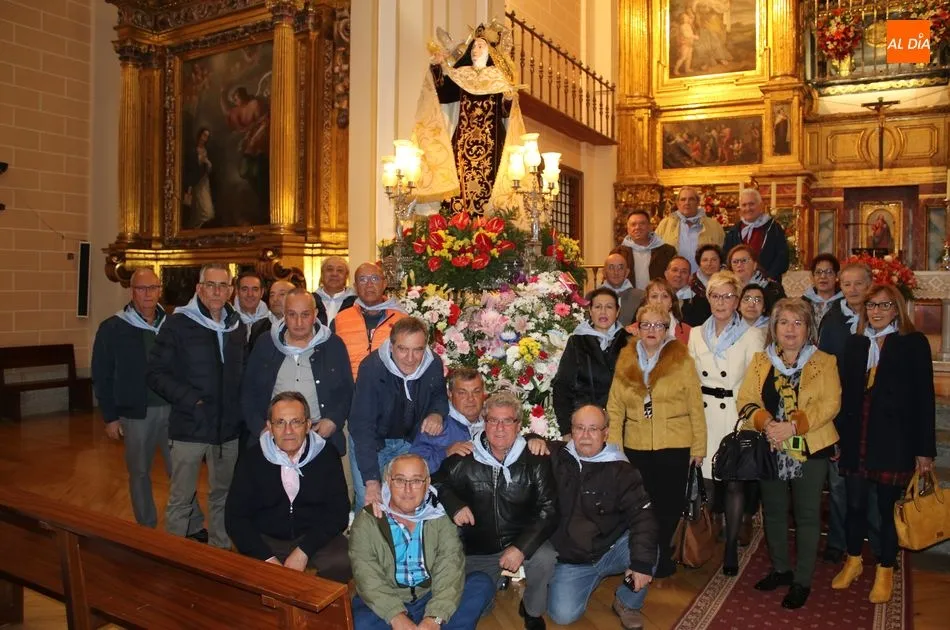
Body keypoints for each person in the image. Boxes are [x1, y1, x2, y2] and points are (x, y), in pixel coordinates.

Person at [831, 285, 936, 604]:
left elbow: (924, 398)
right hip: (857, 435)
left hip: (895, 440)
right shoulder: (855, 343)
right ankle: (853, 561)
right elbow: (845, 394)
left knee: (886, 509)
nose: (876, 311)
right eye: (871, 306)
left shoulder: (912, 342)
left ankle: (885, 569)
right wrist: (837, 439)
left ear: (897, 309)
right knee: (854, 505)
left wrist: (924, 450)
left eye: (884, 305)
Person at [736, 298, 841, 609]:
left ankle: (802, 580)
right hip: (771, 446)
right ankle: (781, 569)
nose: (790, 329)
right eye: (784, 322)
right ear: (774, 327)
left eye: (798, 323)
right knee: (774, 511)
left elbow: (831, 404)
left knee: (807, 515)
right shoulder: (761, 361)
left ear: (808, 328)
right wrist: (768, 424)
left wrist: (793, 427)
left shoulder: (825, 361)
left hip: (810, 447)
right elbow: (746, 399)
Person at [91, 268, 203, 537]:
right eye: (141, 289)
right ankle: (146, 527)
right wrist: (110, 416)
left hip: (174, 410)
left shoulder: (174, 324)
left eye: (153, 288)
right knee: (140, 472)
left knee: (181, 471)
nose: (148, 294)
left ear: (159, 290)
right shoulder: (113, 327)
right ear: (132, 291)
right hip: (136, 413)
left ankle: (192, 524)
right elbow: (101, 373)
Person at [434, 392, 559, 630]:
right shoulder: (465, 456)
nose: (500, 428)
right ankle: (496, 582)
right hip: (479, 548)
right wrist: (454, 504)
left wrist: (521, 547)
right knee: (478, 608)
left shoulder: (535, 459)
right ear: (485, 423)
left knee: (545, 557)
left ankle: (532, 609)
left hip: (522, 539)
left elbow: (550, 509)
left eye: (507, 421)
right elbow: (435, 482)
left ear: (518, 425)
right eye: (493, 420)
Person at [147, 263, 245, 549]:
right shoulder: (178, 324)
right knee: (182, 497)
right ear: (199, 289)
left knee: (223, 495)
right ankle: (175, 555)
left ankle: (219, 552)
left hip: (227, 429)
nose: (217, 291)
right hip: (190, 425)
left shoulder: (236, 326)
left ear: (230, 291)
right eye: (210, 285)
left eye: (223, 286)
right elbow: (155, 373)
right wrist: (192, 399)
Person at [607, 304, 706, 579]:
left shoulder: (681, 360)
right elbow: (615, 407)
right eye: (646, 325)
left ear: (667, 329)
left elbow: (695, 405)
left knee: (669, 505)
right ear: (636, 329)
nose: (652, 330)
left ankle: (661, 553)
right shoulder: (625, 359)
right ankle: (643, 555)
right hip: (636, 445)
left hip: (674, 444)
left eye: (658, 325)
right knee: (641, 504)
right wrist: (614, 447)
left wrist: (699, 446)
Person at [349, 453, 495, 629]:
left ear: (427, 483)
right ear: (388, 481)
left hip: (429, 596)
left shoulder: (439, 516)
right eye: (400, 480)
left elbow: (449, 568)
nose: (408, 489)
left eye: (416, 481)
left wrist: (434, 617)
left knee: (481, 584)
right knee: (360, 622)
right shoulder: (368, 520)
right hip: (388, 599)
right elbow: (367, 575)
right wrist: (395, 616)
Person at [545, 405, 658, 630]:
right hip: (573, 560)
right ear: (571, 431)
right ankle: (579, 581)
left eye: (593, 429)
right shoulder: (556, 456)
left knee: (648, 551)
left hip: (611, 549)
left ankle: (627, 602)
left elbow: (643, 516)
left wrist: (641, 564)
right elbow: (513, 441)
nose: (585, 435)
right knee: (562, 615)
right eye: (580, 428)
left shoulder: (622, 469)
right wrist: (532, 440)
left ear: (605, 433)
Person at [687, 271, 766, 575]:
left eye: (728, 296)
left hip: (736, 415)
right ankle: (703, 540)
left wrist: (750, 419)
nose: (721, 302)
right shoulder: (696, 334)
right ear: (708, 298)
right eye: (715, 296)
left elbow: (756, 383)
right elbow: (689, 379)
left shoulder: (753, 335)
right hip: (704, 415)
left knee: (734, 484)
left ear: (737, 300)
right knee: (705, 484)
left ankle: (731, 546)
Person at [225, 392, 351, 581]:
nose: (288, 431)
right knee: (247, 572)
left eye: (296, 422)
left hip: (313, 535)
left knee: (343, 561)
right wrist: (266, 558)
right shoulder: (252, 458)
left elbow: (338, 512)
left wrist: (304, 550)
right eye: (280, 422)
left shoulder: (326, 455)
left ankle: (317, 597)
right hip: (266, 537)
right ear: (269, 427)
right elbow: (235, 517)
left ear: (308, 425)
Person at [349, 317, 447, 511]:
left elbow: (440, 396)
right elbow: (363, 427)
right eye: (403, 349)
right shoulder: (372, 368)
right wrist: (371, 480)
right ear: (391, 346)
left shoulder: (433, 364)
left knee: (408, 500)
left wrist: (436, 413)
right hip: (372, 442)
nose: (410, 358)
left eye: (417, 350)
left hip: (409, 441)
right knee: (369, 502)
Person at [241, 289, 352, 455]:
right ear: (284, 315)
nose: (299, 322)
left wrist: (333, 420)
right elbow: (248, 391)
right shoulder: (265, 344)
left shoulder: (333, 345)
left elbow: (347, 391)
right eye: (292, 315)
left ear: (315, 314)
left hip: (320, 438)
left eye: (305, 314)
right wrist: (261, 429)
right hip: (273, 438)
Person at [816, 262, 876, 563]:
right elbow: (823, 362)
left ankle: (877, 540)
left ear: (870, 284)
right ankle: (838, 540)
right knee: (839, 480)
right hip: (840, 408)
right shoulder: (832, 319)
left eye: (859, 283)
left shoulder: (880, 315)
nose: (853, 290)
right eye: (847, 284)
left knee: (874, 480)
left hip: (873, 410)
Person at [552, 287, 631, 436]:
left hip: (623, 425)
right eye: (598, 307)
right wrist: (566, 430)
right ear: (590, 310)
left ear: (617, 312)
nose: (603, 312)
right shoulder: (577, 341)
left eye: (609, 307)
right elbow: (562, 386)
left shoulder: (629, 341)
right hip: (586, 424)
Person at [332, 262, 406, 379]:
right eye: (363, 279)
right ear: (355, 287)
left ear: (384, 284)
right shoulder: (340, 320)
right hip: (351, 388)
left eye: (375, 278)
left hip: (390, 387)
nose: (369, 284)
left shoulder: (402, 320)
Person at [410, 367, 485, 474]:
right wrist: (446, 453)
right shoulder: (434, 425)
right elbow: (414, 468)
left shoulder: (494, 422)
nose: (470, 399)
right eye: (462, 393)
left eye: (476, 392)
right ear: (450, 393)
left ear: (483, 393)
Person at [722, 189, 790, 282]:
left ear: (761, 205)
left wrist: (769, 278)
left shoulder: (774, 228)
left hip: (767, 283)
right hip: (739, 284)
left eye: (751, 204)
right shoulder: (734, 231)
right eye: (744, 205)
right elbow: (726, 258)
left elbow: (782, 257)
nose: (748, 208)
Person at [655, 186, 725, 270]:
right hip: (675, 276)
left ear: (698, 202)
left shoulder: (714, 226)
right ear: (677, 203)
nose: (687, 202)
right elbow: (655, 254)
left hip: (705, 276)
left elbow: (722, 255)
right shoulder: (665, 225)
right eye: (683, 199)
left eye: (691, 199)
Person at [612, 209, 677, 290]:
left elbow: (674, 278)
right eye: (633, 224)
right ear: (628, 229)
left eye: (642, 223)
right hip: (628, 296)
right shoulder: (618, 253)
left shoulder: (667, 251)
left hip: (658, 296)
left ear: (650, 227)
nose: (637, 227)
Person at [726, 244, 785, 311]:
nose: (739, 265)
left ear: (755, 265)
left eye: (744, 260)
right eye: (735, 262)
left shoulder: (773, 289)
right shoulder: (727, 290)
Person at [665, 255, 711, 326]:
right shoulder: (654, 298)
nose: (678, 275)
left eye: (684, 272)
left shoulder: (702, 304)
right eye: (675, 270)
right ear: (666, 274)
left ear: (689, 277)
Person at [641, 279, 691, 344]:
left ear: (671, 303)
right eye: (654, 296)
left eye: (665, 296)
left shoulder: (687, 331)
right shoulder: (634, 330)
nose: (659, 301)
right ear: (647, 301)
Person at [601, 252, 644, 327]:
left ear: (627, 272)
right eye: (611, 267)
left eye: (620, 268)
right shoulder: (593, 296)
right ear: (604, 272)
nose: (616, 272)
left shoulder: (641, 296)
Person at [801, 254, 842, 327]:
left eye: (829, 272)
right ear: (812, 276)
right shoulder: (803, 303)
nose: (823, 276)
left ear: (837, 276)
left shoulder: (845, 302)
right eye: (818, 272)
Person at [314, 256, 356, 326]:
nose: (334, 274)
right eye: (330, 269)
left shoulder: (356, 303)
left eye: (340, 270)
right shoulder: (310, 301)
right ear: (322, 274)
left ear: (346, 276)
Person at [234, 271, 271, 346]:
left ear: (262, 292)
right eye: (245, 289)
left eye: (255, 289)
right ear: (237, 291)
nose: (250, 294)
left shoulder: (272, 321)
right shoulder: (227, 320)